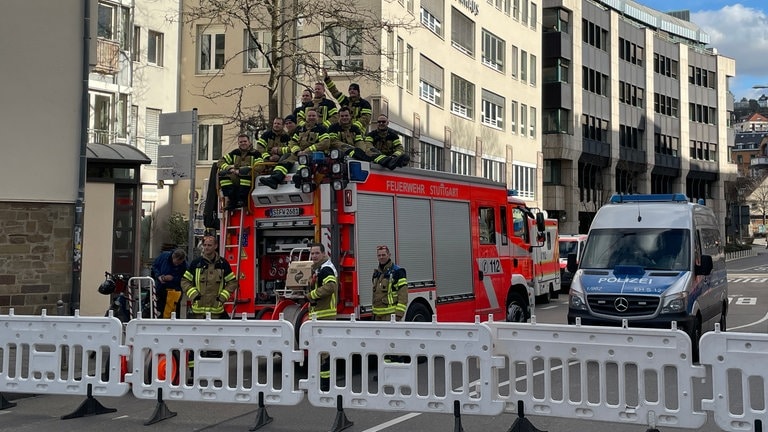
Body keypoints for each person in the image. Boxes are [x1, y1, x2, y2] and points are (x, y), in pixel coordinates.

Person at [259, 108, 331, 189]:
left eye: (313, 116)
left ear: (317, 117)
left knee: (304, 162)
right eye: (309, 115)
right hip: (298, 153)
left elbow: (325, 143)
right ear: (306, 117)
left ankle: (299, 177)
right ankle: (274, 180)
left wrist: (307, 150)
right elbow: (293, 142)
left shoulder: (322, 129)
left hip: (313, 154)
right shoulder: (300, 129)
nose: (311, 117)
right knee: (284, 163)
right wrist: (297, 151)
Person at [181, 235, 238, 319]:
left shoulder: (223, 264)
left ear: (215, 246)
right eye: (205, 245)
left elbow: (232, 282)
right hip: (198, 312)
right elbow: (185, 281)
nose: (206, 248)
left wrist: (222, 297)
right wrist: (194, 295)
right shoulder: (196, 263)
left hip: (216, 311)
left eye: (209, 245)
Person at [307, 242, 338, 389]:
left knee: (325, 352)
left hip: (325, 315)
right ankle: (321, 383)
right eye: (312, 253)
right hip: (318, 314)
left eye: (316, 253)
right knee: (319, 351)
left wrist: (312, 294)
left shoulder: (326, 269)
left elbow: (331, 287)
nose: (313, 256)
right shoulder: (319, 269)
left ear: (323, 254)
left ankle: (326, 385)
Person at [217, 134, 262, 210]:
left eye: (245, 141)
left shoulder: (256, 153)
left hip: (252, 177)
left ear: (249, 142)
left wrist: (243, 170)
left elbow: (260, 166)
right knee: (222, 174)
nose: (243, 143)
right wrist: (229, 169)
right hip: (237, 176)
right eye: (241, 142)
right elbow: (220, 162)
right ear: (238, 143)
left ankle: (243, 199)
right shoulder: (235, 153)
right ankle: (232, 200)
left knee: (245, 171)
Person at [371, 245, 408, 321]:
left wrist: (398, 314)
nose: (381, 257)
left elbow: (403, 295)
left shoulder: (398, 272)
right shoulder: (377, 273)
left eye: (383, 255)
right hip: (377, 316)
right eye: (379, 255)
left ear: (389, 255)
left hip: (391, 316)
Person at [151, 248, 187, 318]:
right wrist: (159, 276)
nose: (177, 265)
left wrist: (173, 278)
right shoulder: (163, 257)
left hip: (175, 291)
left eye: (179, 263)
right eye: (176, 262)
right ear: (173, 257)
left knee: (173, 313)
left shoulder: (184, 265)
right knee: (158, 311)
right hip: (160, 289)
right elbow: (155, 266)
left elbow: (184, 278)